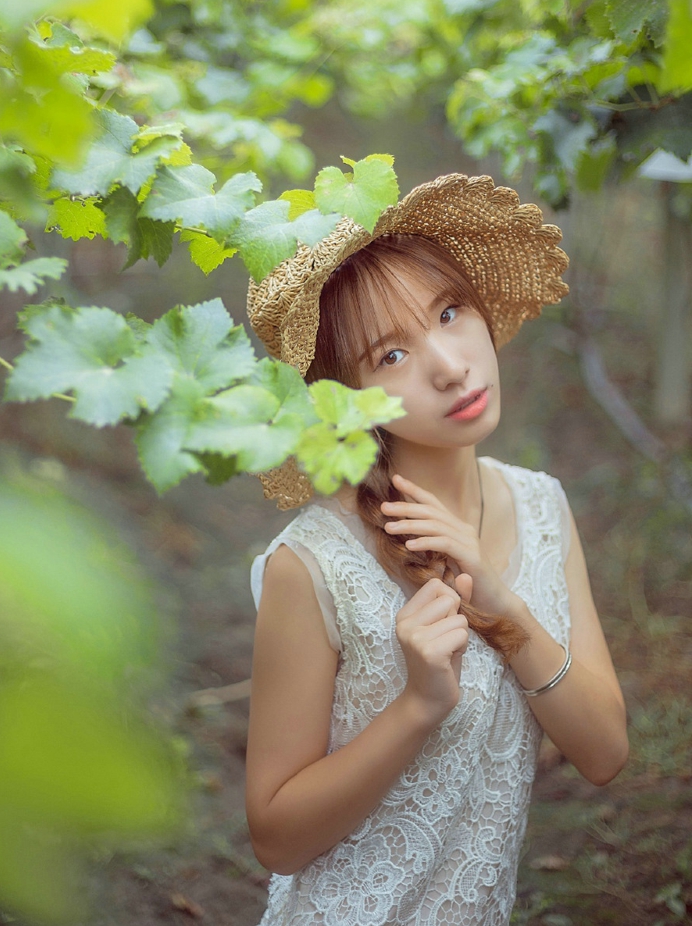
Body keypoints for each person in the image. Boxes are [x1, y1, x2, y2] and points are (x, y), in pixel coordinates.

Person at [244, 174, 628, 925]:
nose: (449, 365)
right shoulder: (314, 564)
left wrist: (502, 607)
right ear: (347, 399)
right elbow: (275, 838)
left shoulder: (542, 505)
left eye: (448, 313)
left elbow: (607, 752)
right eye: (390, 356)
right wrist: (419, 706)